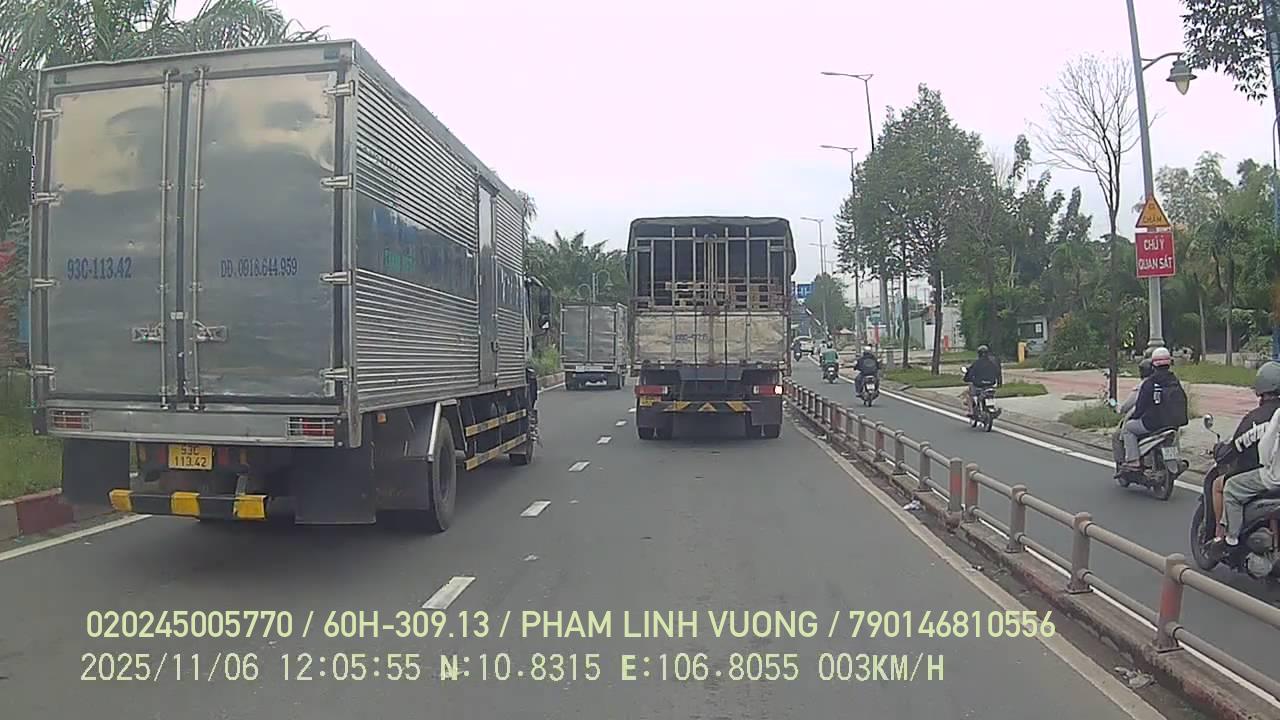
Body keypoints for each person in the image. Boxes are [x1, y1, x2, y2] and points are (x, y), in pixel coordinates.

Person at [1205, 361, 1280, 560]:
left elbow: (1235, 448)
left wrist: (1219, 451)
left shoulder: (1255, 419)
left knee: (1225, 487)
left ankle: (1229, 539)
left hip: (1267, 475)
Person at [1118, 347, 1188, 473]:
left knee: (1128, 428)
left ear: (1153, 364)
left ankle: (1133, 461)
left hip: (1152, 424)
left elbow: (1140, 407)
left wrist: (1133, 417)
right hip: (1173, 423)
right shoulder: (1175, 381)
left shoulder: (1149, 383)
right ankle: (1175, 459)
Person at [1112, 359, 1154, 469]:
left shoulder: (1142, 386)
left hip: (1147, 421)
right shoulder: (1164, 383)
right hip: (1166, 421)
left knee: (1124, 431)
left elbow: (1127, 406)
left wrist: (1119, 408)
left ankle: (1132, 460)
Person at [962, 345, 1002, 416]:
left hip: (979, 385)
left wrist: (967, 378)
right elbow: (998, 373)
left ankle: (971, 411)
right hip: (990, 384)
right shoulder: (992, 363)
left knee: (968, 394)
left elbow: (970, 373)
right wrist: (999, 382)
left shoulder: (976, 363)